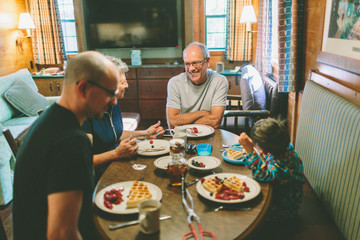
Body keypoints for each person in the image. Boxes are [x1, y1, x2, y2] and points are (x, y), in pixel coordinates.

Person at [12, 51, 120, 240]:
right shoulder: (71, 142)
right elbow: (62, 234)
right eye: (110, 93)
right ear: (84, 88)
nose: (114, 101)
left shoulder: (50, 118)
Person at [82, 56, 164, 180]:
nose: (127, 86)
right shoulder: (84, 113)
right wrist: (116, 153)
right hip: (97, 177)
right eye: (122, 83)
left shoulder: (112, 102)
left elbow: (116, 134)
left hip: (116, 164)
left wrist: (146, 134)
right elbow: (83, 163)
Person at [238, 117, 304, 221]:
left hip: (282, 209)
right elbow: (268, 160)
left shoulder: (282, 167)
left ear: (264, 150)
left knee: (243, 212)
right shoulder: (285, 150)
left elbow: (261, 175)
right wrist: (255, 146)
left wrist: (250, 150)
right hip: (279, 195)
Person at [166, 42, 228, 129]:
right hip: (183, 137)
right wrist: (202, 113)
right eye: (187, 64)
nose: (191, 68)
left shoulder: (220, 81)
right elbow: (172, 122)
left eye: (195, 63)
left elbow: (215, 122)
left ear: (207, 61)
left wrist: (182, 122)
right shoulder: (174, 83)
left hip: (210, 137)